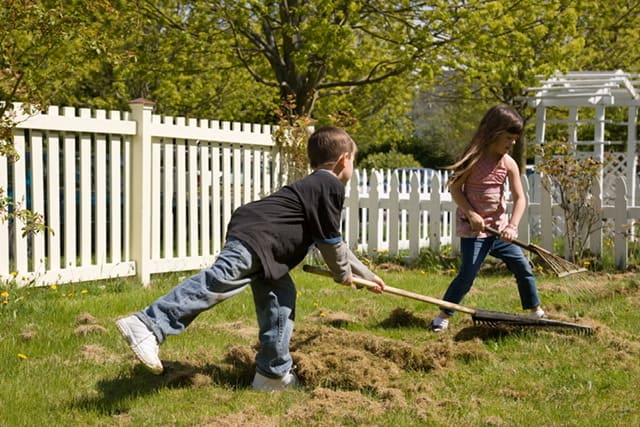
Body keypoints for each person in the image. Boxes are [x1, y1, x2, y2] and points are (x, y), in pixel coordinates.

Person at [116, 126, 385, 390]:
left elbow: (335, 246)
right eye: (355, 161)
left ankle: (272, 374)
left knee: (280, 301)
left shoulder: (316, 185)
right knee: (219, 281)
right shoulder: (329, 184)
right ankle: (149, 324)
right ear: (344, 159)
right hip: (259, 237)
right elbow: (330, 242)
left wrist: (367, 276)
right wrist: (342, 275)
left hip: (268, 251)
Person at [430, 105, 544, 333]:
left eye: (515, 139)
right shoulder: (473, 159)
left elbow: (520, 198)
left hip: (499, 231)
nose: (513, 143)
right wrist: (471, 213)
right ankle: (443, 316)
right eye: (509, 138)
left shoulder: (508, 162)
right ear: (494, 132)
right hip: (474, 232)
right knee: (468, 274)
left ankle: (536, 311)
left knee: (523, 267)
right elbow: (455, 188)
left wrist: (512, 226)